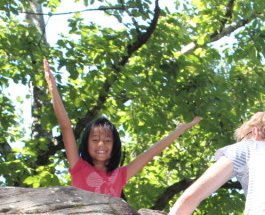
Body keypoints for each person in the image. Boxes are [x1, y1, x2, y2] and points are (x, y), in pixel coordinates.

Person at [43, 58, 201, 198]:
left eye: (107, 140)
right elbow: (66, 127)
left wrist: (180, 129)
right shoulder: (79, 167)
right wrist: (53, 89)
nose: (101, 145)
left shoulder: (120, 175)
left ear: (115, 145)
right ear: (86, 142)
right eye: (95, 139)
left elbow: (151, 152)